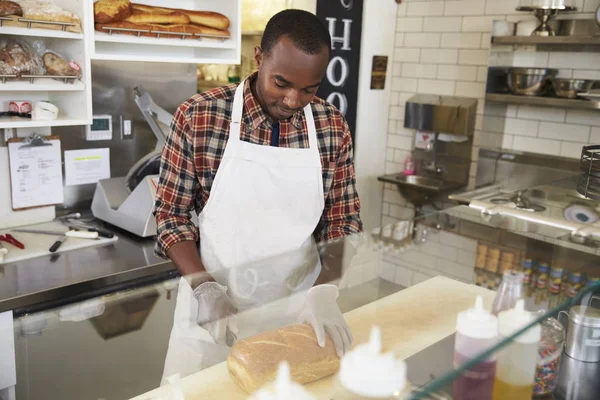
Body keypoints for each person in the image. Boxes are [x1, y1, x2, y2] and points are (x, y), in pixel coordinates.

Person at [153, 9, 363, 383]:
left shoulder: (332, 126)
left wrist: (325, 291)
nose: (294, 99)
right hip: (213, 315)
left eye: (310, 88)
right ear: (259, 59)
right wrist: (205, 287)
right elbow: (171, 216)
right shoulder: (199, 117)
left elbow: (343, 223)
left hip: (298, 320)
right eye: (281, 82)